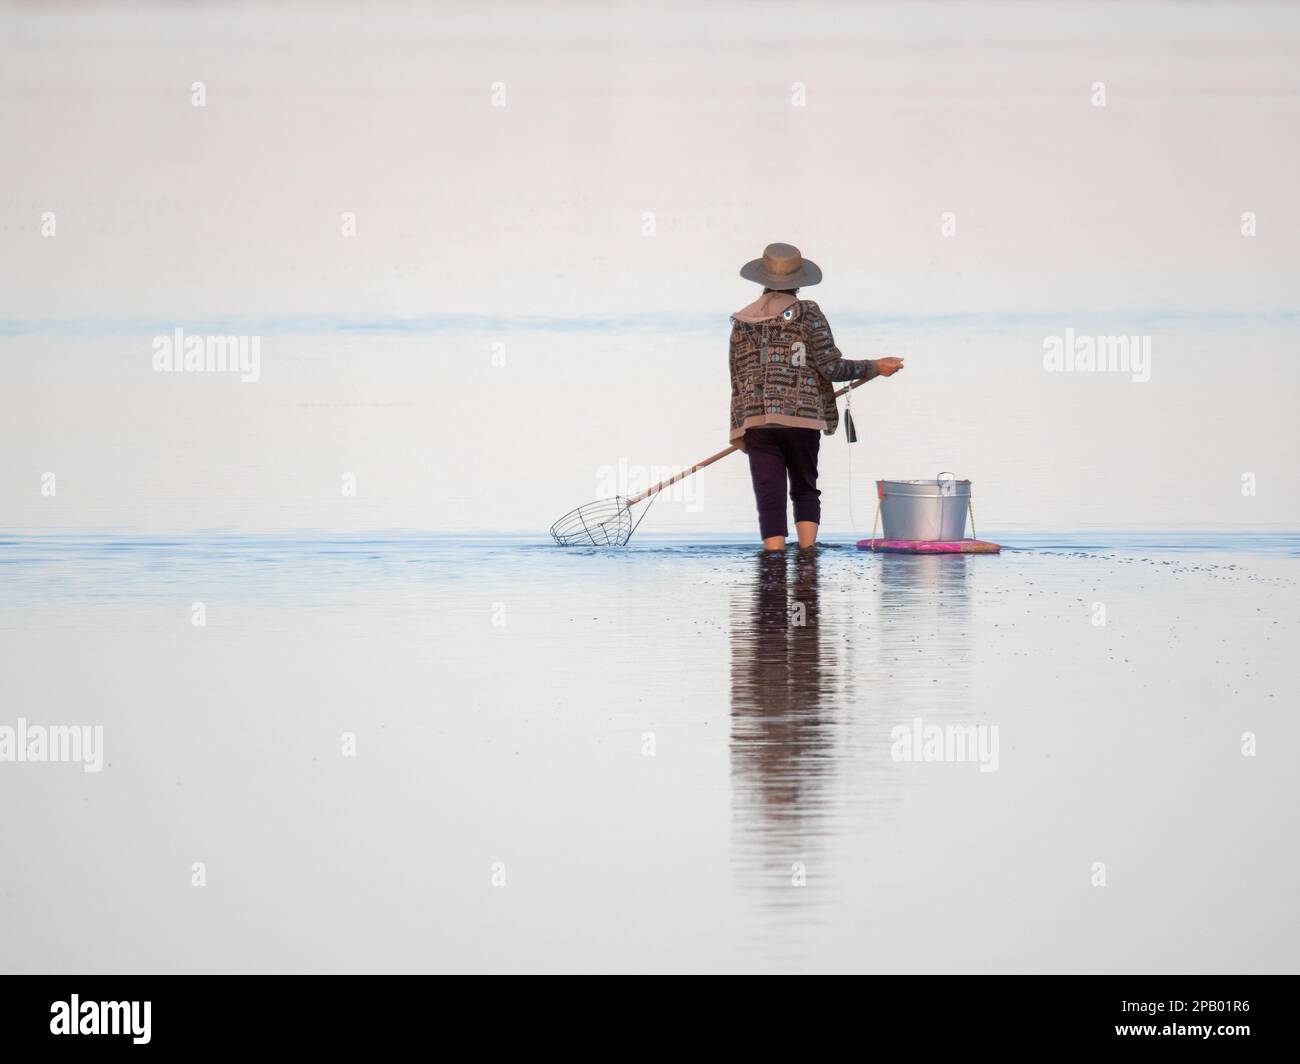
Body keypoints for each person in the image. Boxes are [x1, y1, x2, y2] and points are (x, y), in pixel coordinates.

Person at [729, 242, 904, 551]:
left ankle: (774, 557)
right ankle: (807, 555)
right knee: (805, 489)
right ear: (798, 281)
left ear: (762, 279)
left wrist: (739, 428)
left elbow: (738, 378)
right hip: (802, 420)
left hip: (757, 422)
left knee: (769, 494)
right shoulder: (807, 312)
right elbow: (832, 367)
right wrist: (875, 367)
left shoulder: (742, 321)